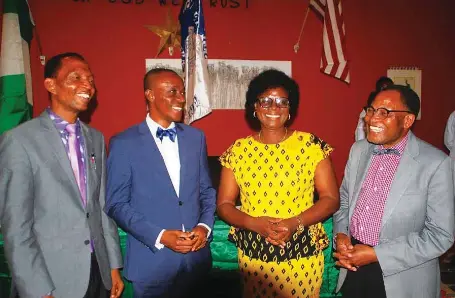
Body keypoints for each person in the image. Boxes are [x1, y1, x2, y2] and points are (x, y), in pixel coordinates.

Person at [0, 52, 124, 298]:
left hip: (97, 273)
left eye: (90, 79)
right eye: (76, 77)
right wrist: (37, 289)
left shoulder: (96, 138)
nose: (88, 85)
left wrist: (113, 265)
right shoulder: (19, 140)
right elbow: (16, 227)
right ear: (50, 85)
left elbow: (100, 209)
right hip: (50, 278)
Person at [216, 69, 340, 298]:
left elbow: (331, 199)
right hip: (255, 253)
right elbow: (224, 204)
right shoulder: (238, 150)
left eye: (282, 102)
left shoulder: (311, 146)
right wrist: (253, 224)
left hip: (301, 250)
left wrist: (294, 222)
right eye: (266, 101)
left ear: (290, 109)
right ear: (254, 107)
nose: (274, 108)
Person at [333, 85, 454, 298]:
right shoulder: (358, 150)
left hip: (403, 277)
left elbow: (440, 235)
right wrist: (341, 235)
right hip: (354, 267)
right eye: (371, 110)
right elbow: (344, 201)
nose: (371, 119)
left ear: (407, 121)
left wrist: (377, 255)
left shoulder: (435, 164)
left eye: (384, 113)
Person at [105, 68, 216, 298]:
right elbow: (116, 204)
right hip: (151, 264)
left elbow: (206, 191)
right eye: (172, 91)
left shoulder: (196, 138)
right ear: (150, 95)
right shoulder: (123, 143)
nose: (182, 99)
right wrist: (161, 236)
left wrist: (204, 228)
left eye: (182, 92)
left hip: (196, 264)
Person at [355, 76, 394, 141]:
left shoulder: (396, 107)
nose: (386, 92)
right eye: (383, 89)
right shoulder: (367, 111)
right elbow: (360, 135)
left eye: (389, 89)